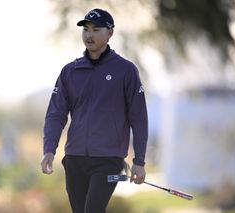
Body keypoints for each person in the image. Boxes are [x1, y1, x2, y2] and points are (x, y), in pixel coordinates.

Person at [41, 8, 148, 213]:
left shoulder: (125, 70)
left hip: (108, 160)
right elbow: (56, 114)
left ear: (110, 33)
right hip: (75, 159)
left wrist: (139, 161)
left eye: (96, 29)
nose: (89, 35)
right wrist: (49, 150)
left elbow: (139, 117)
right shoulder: (70, 72)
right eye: (86, 30)